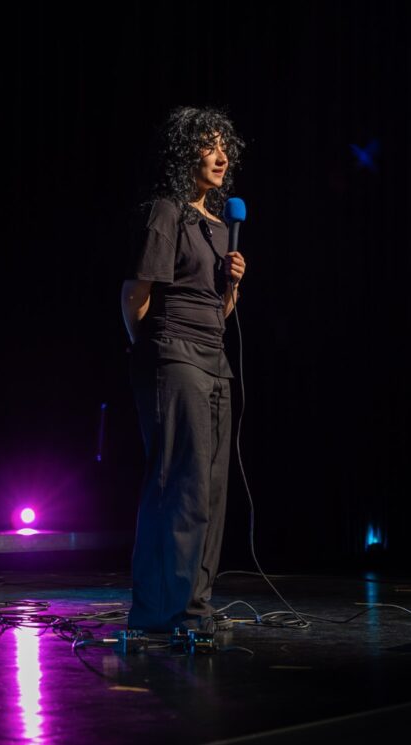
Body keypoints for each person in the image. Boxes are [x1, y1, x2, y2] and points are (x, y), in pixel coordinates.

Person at [120, 107, 246, 633]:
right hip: (173, 356)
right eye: (208, 146)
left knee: (210, 491)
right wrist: (151, 353)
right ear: (183, 153)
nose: (220, 156)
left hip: (215, 362)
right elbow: (135, 295)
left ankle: (192, 605)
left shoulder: (219, 226)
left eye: (224, 147)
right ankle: (161, 610)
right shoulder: (166, 212)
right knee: (179, 485)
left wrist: (233, 285)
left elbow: (219, 312)